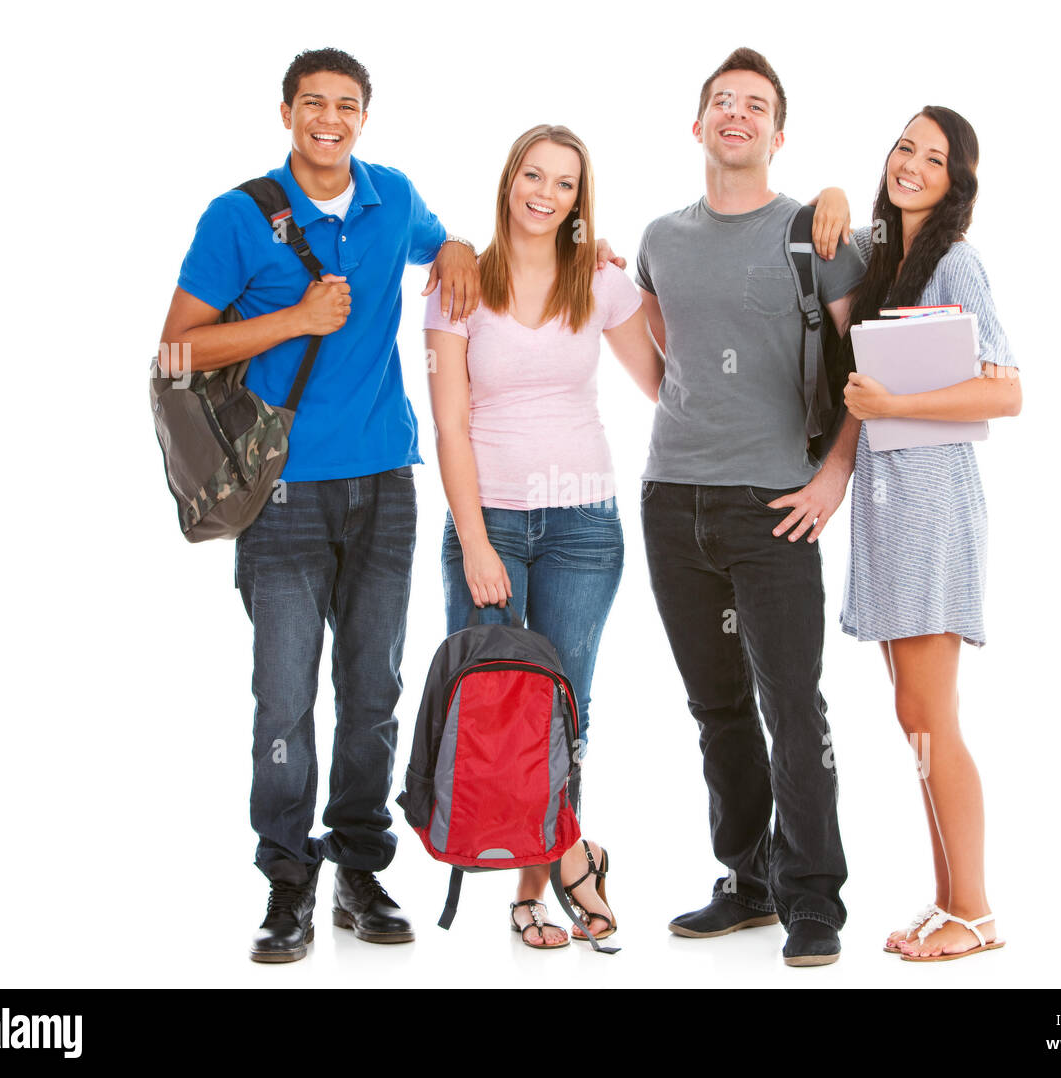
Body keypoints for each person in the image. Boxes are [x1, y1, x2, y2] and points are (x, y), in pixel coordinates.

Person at [159, 47, 481, 963]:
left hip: (386, 483)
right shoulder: (237, 216)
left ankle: (360, 869)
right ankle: (287, 881)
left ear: (364, 118)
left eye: (346, 105)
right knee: (284, 698)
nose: (329, 119)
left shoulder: (392, 197)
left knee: (373, 690)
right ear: (287, 112)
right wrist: (295, 320)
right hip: (284, 495)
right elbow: (178, 349)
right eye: (313, 103)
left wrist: (454, 244)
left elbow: (443, 241)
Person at [634, 47, 863, 967]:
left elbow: (864, 372)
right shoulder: (660, 238)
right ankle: (748, 880)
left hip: (776, 507)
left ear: (777, 133)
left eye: (755, 105)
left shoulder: (816, 235)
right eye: (720, 102)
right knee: (715, 706)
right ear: (697, 126)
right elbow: (658, 353)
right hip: (670, 500)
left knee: (792, 709)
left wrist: (833, 473)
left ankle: (814, 901)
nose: (736, 114)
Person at [424, 124, 664, 948]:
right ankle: (575, 859)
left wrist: (646, 278)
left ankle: (535, 887)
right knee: (499, 704)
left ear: (578, 200)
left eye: (565, 184)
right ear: (509, 181)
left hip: (583, 525)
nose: (546, 193)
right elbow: (449, 427)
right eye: (534, 175)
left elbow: (665, 380)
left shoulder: (595, 283)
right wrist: (476, 539)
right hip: (486, 516)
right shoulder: (457, 286)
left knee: (566, 707)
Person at [838, 106, 1020, 961]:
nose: (911, 163)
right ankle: (949, 900)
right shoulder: (891, 262)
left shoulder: (955, 262)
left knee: (930, 715)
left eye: (934, 157)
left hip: (932, 505)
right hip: (887, 504)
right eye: (905, 146)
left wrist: (894, 406)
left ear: (957, 182)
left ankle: (976, 911)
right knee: (913, 713)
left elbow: (1006, 391)